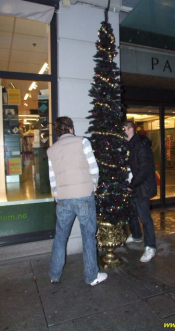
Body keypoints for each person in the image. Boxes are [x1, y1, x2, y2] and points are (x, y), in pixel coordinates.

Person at [47, 116, 107, 286]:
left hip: (63, 199)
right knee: (88, 236)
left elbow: (53, 178)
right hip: (83, 195)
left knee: (60, 237)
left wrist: (59, 196)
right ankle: (91, 276)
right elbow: (93, 168)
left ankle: (54, 274)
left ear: (58, 131)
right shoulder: (82, 142)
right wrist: (92, 186)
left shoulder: (51, 150)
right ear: (71, 128)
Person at [124, 121, 157, 263]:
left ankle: (150, 246)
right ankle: (137, 235)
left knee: (145, 217)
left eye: (123, 128)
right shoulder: (127, 145)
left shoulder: (141, 146)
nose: (121, 131)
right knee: (131, 212)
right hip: (131, 185)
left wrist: (132, 185)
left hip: (141, 187)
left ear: (131, 129)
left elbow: (145, 169)